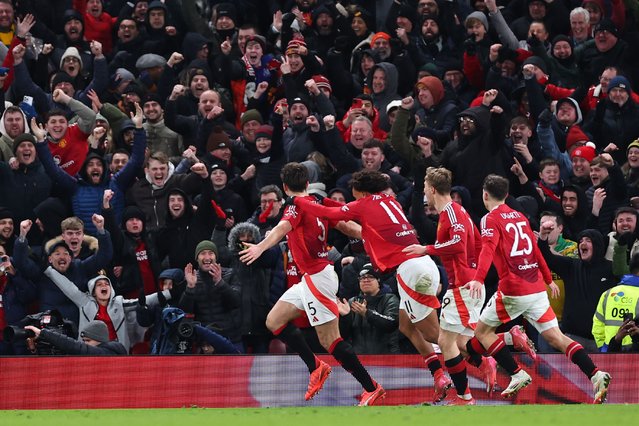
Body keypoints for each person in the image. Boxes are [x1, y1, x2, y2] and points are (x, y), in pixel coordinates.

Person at [292, 169, 450, 403]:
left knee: (434, 334)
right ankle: (439, 374)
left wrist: (298, 200)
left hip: (411, 268)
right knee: (407, 325)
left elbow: (328, 212)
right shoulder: (390, 200)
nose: (354, 199)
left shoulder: (364, 204)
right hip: (422, 264)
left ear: (362, 192)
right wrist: (317, 198)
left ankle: (482, 353)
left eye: (355, 195)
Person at [239, 163, 385, 406]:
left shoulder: (294, 206)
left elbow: (282, 227)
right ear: (307, 184)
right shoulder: (317, 200)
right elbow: (345, 225)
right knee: (273, 321)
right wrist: (371, 235)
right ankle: (316, 367)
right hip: (311, 277)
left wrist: (260, 247)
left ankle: (371, 387)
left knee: (331, 341)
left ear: (285, 188)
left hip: (319, 277)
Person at [465, 174, 611, 403]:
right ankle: (595, 374)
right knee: (557, 337)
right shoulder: (521, 217)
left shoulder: (489, 219)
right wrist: (547, 279)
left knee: (482, 333)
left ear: (485, 195)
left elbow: (488, 250)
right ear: (506, 194)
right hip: (536, 288)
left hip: (514, 289)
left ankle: (516, 373)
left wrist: (477, 278)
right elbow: (534, 250)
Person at [336, 263, 400, 354]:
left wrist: (366, 313)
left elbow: (390, 324)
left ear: (378, 281)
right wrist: (345, 317)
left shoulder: (390, 299)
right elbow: (343, 335)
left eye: (370, 277)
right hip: (359, 357)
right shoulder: (352, 302)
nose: (365, 280)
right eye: (362, 278)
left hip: (387, 357)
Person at [592, 253, 639, 352]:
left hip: (612, 351)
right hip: (635, 354)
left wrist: (604, 349)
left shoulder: (608, 293)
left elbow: (597, 326)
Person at [24, 320, 126, 355]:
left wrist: (44, 333)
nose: (85, 344)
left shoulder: (108, 353)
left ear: (100, 340)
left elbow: (74, 346)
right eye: (83, 341)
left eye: (88, 341)